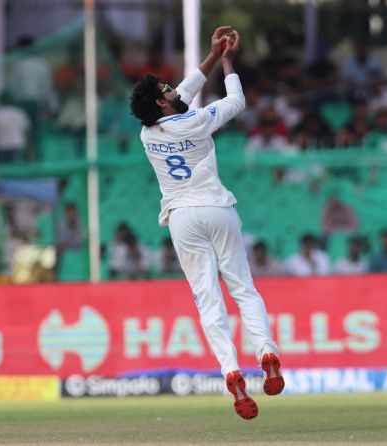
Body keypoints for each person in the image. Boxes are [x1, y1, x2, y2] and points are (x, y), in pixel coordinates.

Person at [130, 26, 283, 421]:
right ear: (162, 103)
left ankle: (230, 370)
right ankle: (266, 351)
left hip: (181, 217)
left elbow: (180, 93)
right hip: (216, 208)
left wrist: (212, 55)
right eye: (166, 91)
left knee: (207, 297)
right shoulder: (198, 120)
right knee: (243, 289)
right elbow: (236, 100)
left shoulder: (147, 134)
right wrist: (228, 59)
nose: (174, 92)